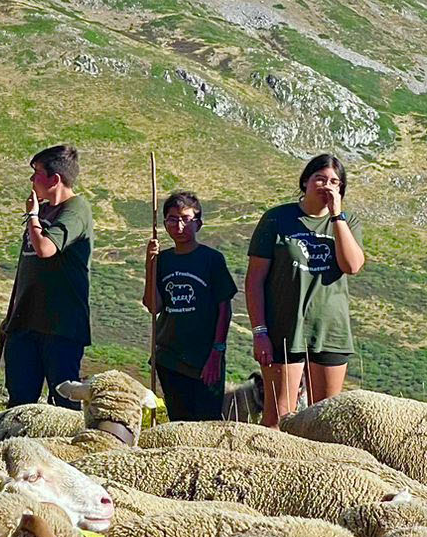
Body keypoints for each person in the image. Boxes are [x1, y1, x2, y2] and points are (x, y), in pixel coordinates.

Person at [245, 153, 365, 427]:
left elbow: (352, 265)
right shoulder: (277, 219)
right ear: (305, 182)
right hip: (284, 329)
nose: (326, 185)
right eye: (319, 178)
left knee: (324, 418)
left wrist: (337, 216)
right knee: (278, 416)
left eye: (334, 181)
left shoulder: (347, 222)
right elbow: (254, 280)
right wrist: (259, 332)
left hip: (330, 329)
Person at [2, 143, 92, 408]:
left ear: (54, 179)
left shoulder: (76, 209)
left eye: (36, 173)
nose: (31, 180)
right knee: (19, 403)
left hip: (60, 325)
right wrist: (10, 318)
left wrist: (32, 215)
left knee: (64, 402)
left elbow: (45, 248)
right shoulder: (44, 210)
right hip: (24, 323)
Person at [142, 189, 236, 422]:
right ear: (164, 224)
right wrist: (150, 266)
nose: (179, 226)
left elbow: (224, 307)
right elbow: (154, 306)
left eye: (186, 219)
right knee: (179, 421)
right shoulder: (162, 259)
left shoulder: (212, 259)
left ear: (198, 223)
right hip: (170, 356)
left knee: (207, 421)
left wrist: (217, 351)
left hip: (205, 356)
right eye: (172, 219)